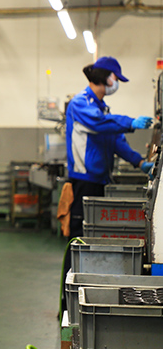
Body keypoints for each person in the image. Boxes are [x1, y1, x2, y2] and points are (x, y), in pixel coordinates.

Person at [62, 56, 152, 309]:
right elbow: (99, 124)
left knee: (94, 241)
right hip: (83, 182)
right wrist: (130, 122)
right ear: (105, 77)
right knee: (79, 242)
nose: (117, 83)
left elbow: (115, 141)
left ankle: (90, 293)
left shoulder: (103, 109)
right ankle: (69, 300)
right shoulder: (81, 103)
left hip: (99, 181)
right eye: (116, 78)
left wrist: (139, 162)